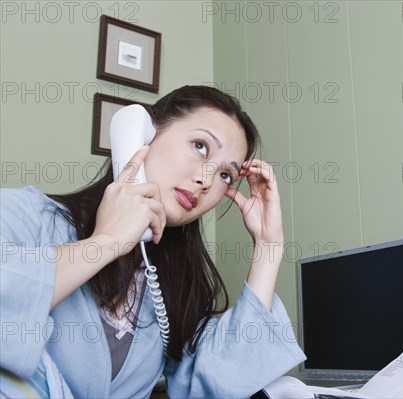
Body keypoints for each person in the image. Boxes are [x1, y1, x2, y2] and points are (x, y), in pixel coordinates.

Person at [0, 85, 306, 398]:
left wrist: (268, 247)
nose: (206, 180)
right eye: (200, 146)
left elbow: (222, 384)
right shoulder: (27, 215)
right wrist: (106, 242)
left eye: (225, 175)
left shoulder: (173, 287)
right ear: (145, 136)